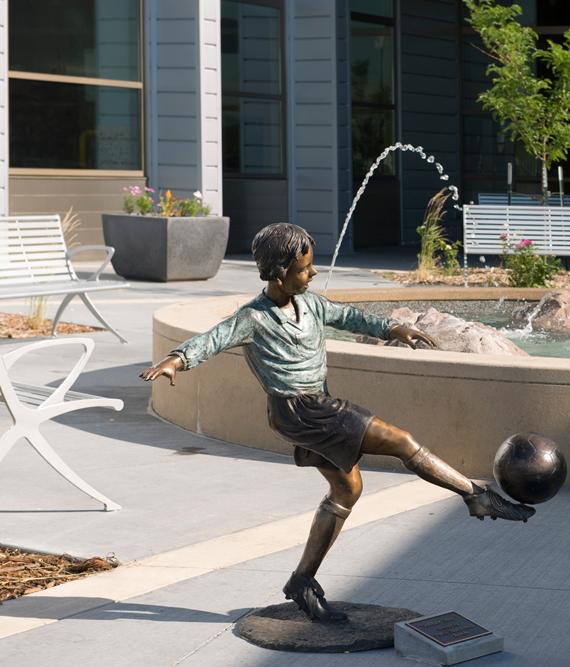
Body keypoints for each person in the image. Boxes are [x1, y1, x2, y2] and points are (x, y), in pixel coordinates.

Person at [141, 222, 533, 623]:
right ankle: (475, 495)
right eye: (304, 269)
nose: (311, 274)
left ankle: (301, 582)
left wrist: (392, 328)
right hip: (299, 410)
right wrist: (176, 360)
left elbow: (349, 317)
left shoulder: (310, 304)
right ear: (278, 272)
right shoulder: (253, 319)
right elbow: (212, 338)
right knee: (401, 441)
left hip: (314, 406)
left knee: (347, 489)